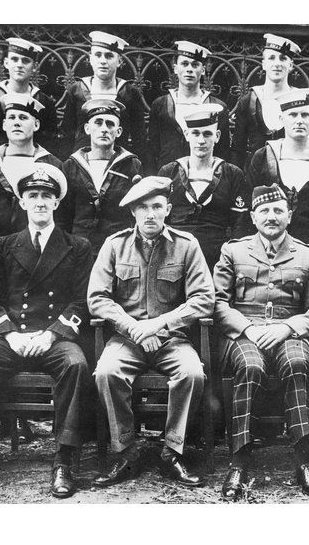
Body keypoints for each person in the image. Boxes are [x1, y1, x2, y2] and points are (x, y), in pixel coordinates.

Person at [0, 163, 94, 499]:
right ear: (23, 202)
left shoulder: (78, 246)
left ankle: (64, 460)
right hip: (12, 337)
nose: (40, 201)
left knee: (76, 366)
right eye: (33, 195)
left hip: (54, 338)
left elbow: (80, 302)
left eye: (47, 195)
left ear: (57, 202)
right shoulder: (5, 245)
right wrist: (10, 334)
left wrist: (51, 334)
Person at [87, 176, 214, 488]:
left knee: (192, 374)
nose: (150, 214)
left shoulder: (187, 246)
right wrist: (134, 328)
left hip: (171, 338)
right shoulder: (114, 246)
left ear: (168, 209)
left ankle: (172, 451)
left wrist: (160, 325)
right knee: (106, 371)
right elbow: (97, 298)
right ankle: (125, 452)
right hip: (127, 339)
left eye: (157, 206)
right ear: (133, 212)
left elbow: (204, 299)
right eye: (142, 207)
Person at [212, 184, 309, 500]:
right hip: (244, 333)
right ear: (253, 216)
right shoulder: (233, 251)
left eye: (279, 210)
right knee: (250, 365)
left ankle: (304, 459)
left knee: (297, 362)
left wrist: (288, 328)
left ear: (289, 215)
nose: (271, 216)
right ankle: (239, 460)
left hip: (289, 332)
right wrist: (247, 329)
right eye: (264, 210)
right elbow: (217, 303)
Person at [246, 88, 309, 257]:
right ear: (281, 119)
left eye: (305, 115)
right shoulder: (263, 156)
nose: (299, 121)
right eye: (293, 115)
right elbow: (250, 208)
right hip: (269, 251)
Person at [0, 93, 64, 268]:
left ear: (36, 125)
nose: (17, 122)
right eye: (11, 117)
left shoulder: (51, 165)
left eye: (23, 117)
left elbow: (61, 215)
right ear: (4, 125)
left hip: (34, 255)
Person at [158, 104, 250, 271]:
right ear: (187, 134)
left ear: (217, 136)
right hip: (174, 256)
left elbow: (239, 225)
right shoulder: (169, 171)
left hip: (217, 259)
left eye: (207, 134)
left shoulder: (232, 173)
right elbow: (159, 219)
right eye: (195, 133)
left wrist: (230, 262)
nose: (201, 140)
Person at [59, 99, 143, 253]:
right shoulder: (71, 166)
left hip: (119, 248)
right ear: (87, 128)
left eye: (110, 124)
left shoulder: (131, 165)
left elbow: (136, 211)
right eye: (98, 122)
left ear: (119, 132)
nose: (104, 129)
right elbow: (63, 214)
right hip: (80, 248)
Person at [0, 37, 58, 172]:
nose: (19, 65)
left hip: (32, 169)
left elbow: (49, 143)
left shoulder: (44, 102)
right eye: (15, 59)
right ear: (6, 62)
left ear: (34, 67)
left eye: (25, 61)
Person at [59, 31, 149, 166]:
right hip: (81, 164)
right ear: (90, 59)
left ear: (119, 61)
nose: (103, 61)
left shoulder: (129, 92)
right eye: (98, 55)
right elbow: (67, 134)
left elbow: (139, 138)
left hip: (118, 164)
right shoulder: (77, 90)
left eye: (109, 56)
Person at [147, 41, 230, 173]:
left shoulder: (217, 107)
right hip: (167, 176)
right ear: (175, 68)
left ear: (203, 70)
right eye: (184, 64)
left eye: (195, 65)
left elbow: (223, 150)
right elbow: (152, 149)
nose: (189, 69)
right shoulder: (160, 104)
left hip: (204, 176)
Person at [230, 33, 301, 169]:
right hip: (256, 175)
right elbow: (238, 149)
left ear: (291, 65)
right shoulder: (249, 100)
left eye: (283, 58)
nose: (277, 64)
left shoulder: (299, 99)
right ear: (264, 64)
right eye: (272, 58)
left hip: (291, 173)